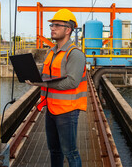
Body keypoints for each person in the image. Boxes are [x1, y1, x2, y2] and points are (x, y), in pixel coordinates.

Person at [26, 9, 87, 167]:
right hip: (51, 109)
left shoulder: (75, 54)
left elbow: (71, 83)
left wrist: (42, 83)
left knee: (70, 152)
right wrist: (31, 76)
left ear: (68, 30)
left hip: (67, 111)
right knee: (54, 150)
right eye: (52, 25)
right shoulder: (51, 53)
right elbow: (44, 76)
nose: (52, 28)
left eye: (57, 25)